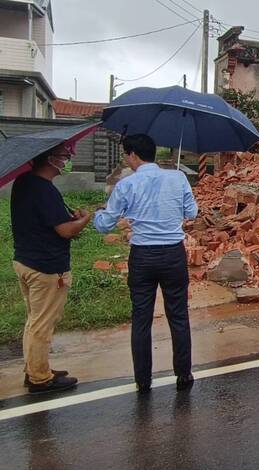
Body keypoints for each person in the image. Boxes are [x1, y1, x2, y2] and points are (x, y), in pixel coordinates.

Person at [94, 135, 198, 394]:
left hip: (142, 256)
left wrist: (97, 215)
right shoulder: (178, 178)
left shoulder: (126, 184)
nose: (125, 159)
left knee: (141, 318)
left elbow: (105, 224)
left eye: (126, 155)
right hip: (173, 254)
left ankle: (143, 380)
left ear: (133, 155)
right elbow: (192, 213)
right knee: (179, 315)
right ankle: (184, 374)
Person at [11, 144, 91, 394]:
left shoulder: (25, 182)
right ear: (50, 158)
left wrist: (71, 217)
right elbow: (65, 231)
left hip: (26, 261)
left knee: (34, 321)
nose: (67, 161)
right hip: (45, 267)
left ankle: (35, 368)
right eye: (65, 156)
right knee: (42, 324)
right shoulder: (43, 190)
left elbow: (50, 220)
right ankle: (40, 379)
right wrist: (85, 219)